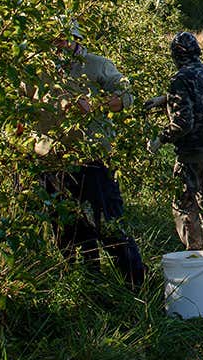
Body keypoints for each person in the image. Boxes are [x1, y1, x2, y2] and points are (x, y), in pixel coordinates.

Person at [28, 25, 145, 288]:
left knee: (109, 223)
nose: (58, 45)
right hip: (52, 162)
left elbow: (127, 95)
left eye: (63, 39)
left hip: (92, 160)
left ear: (76, 39)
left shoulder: (96, 65)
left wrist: (95, 105)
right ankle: (78, 284)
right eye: (52, 40)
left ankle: (136, 284)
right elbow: (19, 108)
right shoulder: (36, 70)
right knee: (64, 229)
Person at [146, 31, 203, 250]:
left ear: (176, 55)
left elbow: (183, 123)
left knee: (184, 204)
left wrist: (159, 139)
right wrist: (164, 100)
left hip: (192, 151)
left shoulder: (179, 79)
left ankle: (196, 254)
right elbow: (202, 99)